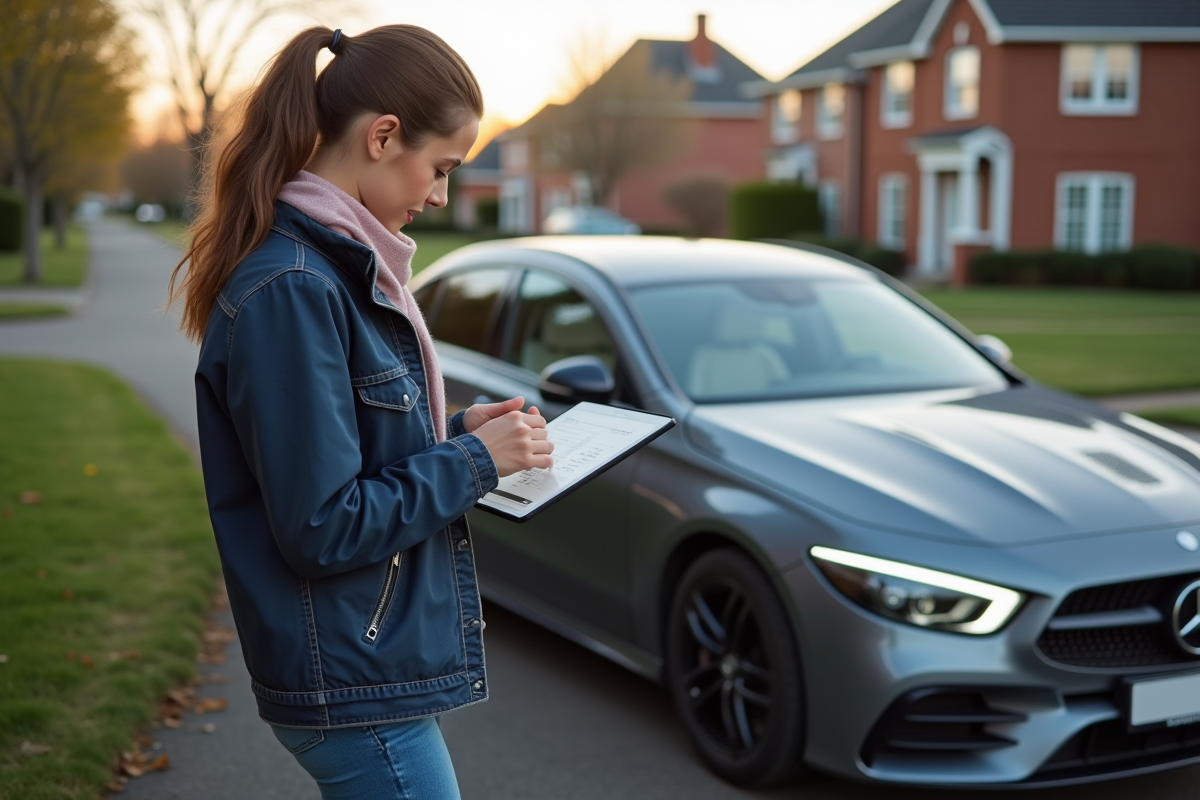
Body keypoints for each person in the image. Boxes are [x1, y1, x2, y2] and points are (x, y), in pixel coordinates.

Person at [169, 24, 553, 799]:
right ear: (383, 136)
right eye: (440, 169)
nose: (441, 195)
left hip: (361, 664)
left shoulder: (329, 271)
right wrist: (476, 464)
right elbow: (323, 523)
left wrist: (456, 434)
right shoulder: (296, 290)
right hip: (346, 677)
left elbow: (339, 449)